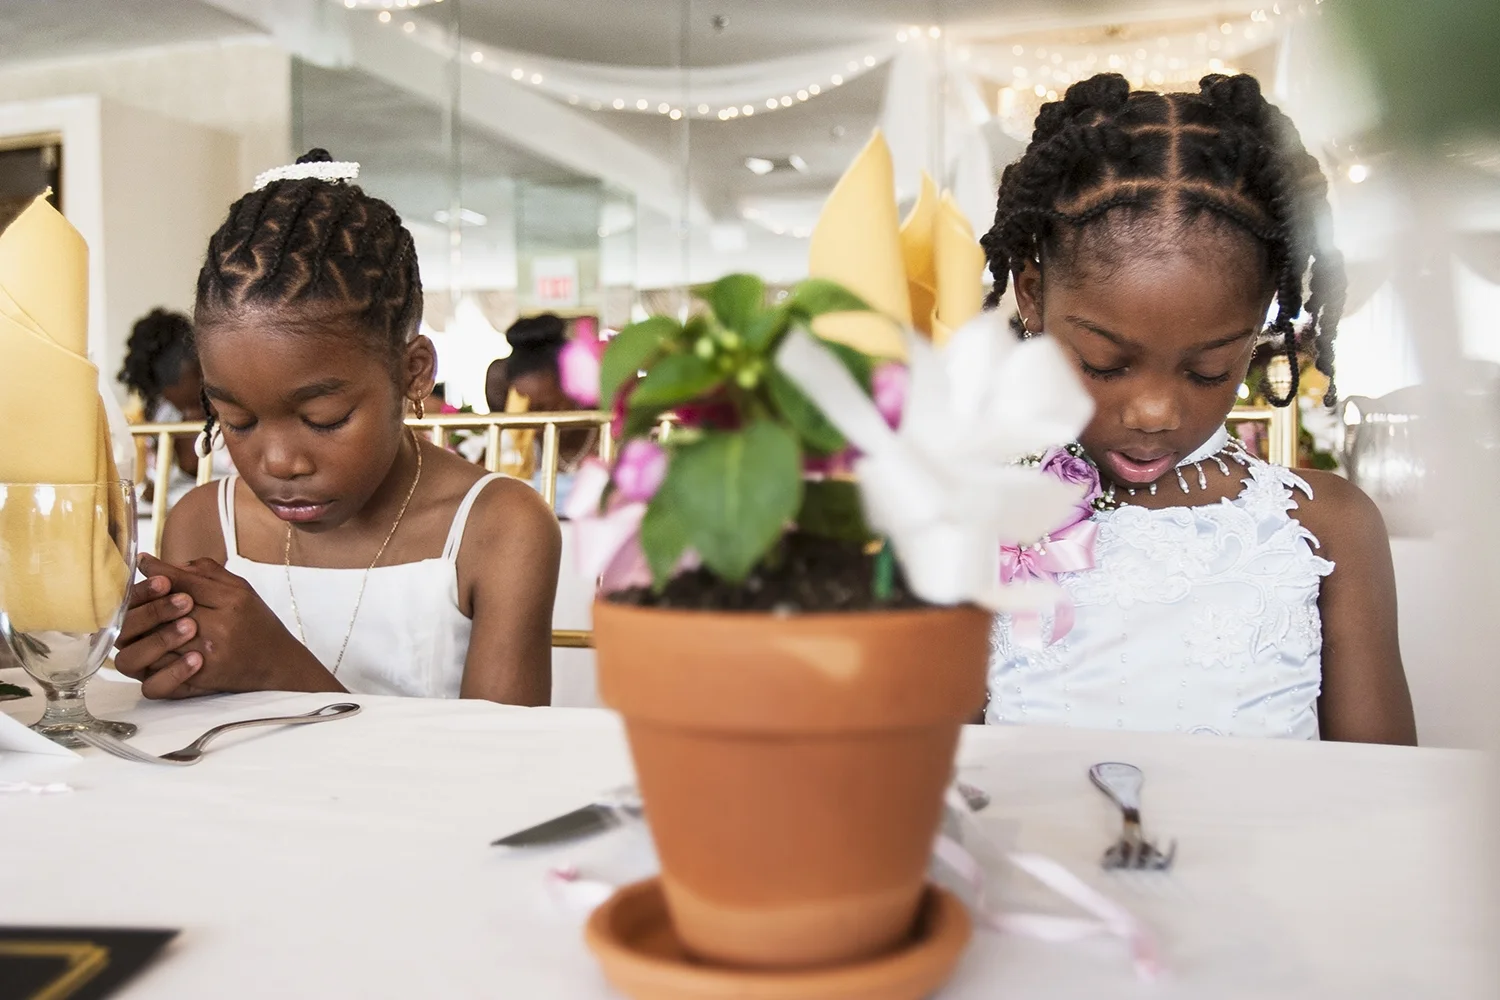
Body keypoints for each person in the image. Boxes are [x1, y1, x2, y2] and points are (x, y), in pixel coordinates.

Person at [980, 74, 1416, 744]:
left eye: (1208, 370)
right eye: (1105, 363)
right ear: (1033, 296)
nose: (1155, 412)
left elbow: (1386, 789)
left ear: (1259, 328)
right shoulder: (981, 518)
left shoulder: (1327, 527)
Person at [112, 149, 560, 704]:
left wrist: (279, 668)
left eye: (323, 419)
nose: (279, 462)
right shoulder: (206, 525)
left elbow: (502, 755)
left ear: (414, 372)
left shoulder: (499, 528)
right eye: (237, 421)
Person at [117, 308, 232, 503]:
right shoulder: (164, 418)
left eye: (202, 400)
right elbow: (154, 485)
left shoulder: (235, 409)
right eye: (187, 407)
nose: (196, 412)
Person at [486, 314, 597, 512]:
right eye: (527, 408)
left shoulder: (607, 432)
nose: (536, 419)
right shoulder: (523, 440)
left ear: (574, 388)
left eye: (545, 407)